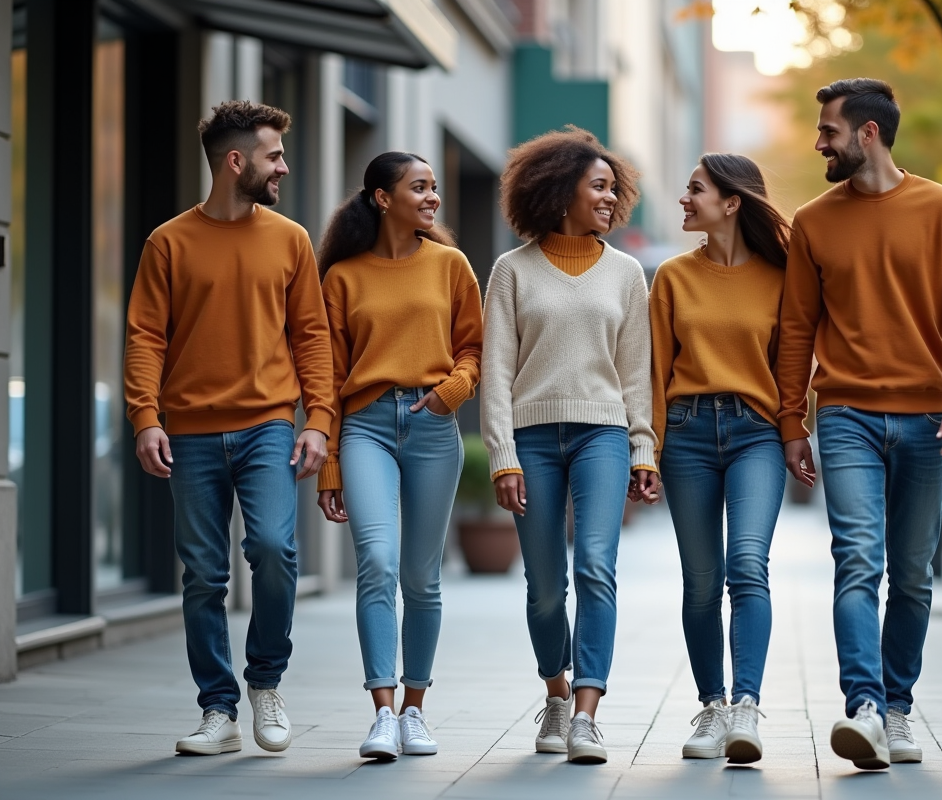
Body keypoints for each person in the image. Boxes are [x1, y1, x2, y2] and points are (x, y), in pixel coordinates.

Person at [777, 78, 942, 770]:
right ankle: (865, 708)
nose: (819, 143)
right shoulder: (813, 221)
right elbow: (796, 328)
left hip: (930, 417)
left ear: (867, 134)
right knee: (857, 560)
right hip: (846, 416)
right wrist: (791, 419)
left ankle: (898, 708)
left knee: (914, 575)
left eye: (829, 131)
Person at [124, 101, 336, 755]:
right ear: (236, 162)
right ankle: (218, 711)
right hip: (187, 433)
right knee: (203, 576)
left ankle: (265, 683)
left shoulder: (291, 239)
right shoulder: (168, 242)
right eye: (274, 155)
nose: (284, 166)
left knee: (275, 551)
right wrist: (145, 418)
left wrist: (319, 420)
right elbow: (145, 337)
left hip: (268, 424)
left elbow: (311, 336)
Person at [481, 126, 657, 765]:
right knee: (544, 586)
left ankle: (584, 713)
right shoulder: (511, 271)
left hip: (603, 435)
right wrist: (502, 454)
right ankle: (554, 691)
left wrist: (643, 449)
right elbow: (497, 371)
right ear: (562, 192)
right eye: (599, 187)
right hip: (531, 438)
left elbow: (637, 372)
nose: (611, 199)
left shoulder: (627, 273)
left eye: (615, 189)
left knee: (596, 569)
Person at [314, 152, 482, 760]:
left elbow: (476, 348)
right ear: (382, 198)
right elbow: (328, 377)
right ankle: (383, 713)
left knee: (422, 577)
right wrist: (329, 462)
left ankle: (416, 708)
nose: (433, 197)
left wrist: (450, 394)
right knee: (377, 564)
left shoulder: (451, 265)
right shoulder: (342, 277)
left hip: (434, 427)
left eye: (435, 187)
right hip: (366, 428)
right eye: (420, 187)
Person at [650, 153, 806, 764]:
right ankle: (711, 706)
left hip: (755, 433)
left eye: (695, 190)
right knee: (700, 582)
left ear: (732, 202)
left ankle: (746, 707)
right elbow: (654, 369)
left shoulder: (780, 276)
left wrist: (795, 431)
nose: (684, 199)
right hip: (685, 433)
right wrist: (648, 448)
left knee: (747, 564)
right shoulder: (671, 277)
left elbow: (792, 368)